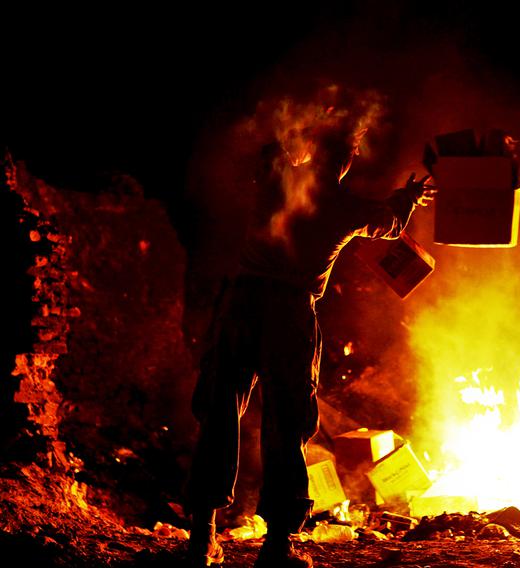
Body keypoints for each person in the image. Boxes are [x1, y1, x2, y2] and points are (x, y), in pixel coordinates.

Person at [184, 117, 434, 567]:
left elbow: (270, 150)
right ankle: (276, 547)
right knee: (287, 423)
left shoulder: (278, 177)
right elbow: (391, 222)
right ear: (346, 159)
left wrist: (300, 131)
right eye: (352, 152)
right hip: (288, 312)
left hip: (241, 303)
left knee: (220, 411)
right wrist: (409, 197)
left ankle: (202, 538)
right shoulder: (344, 206)